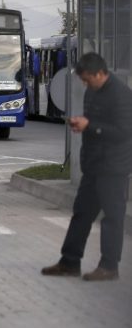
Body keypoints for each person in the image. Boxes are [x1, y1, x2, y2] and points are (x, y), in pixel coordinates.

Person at [42, 52, 132, 281]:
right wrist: (81, 125)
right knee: (81, 213)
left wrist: (90, 125)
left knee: (112, 217)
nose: (85, 84)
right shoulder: (93, 91)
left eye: (87, 79)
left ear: (100, 73)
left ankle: (109, 266)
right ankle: (69, 262)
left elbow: (124, 132)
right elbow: (92, 123)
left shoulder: (121, 95)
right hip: (93, 166)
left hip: (113, 168)